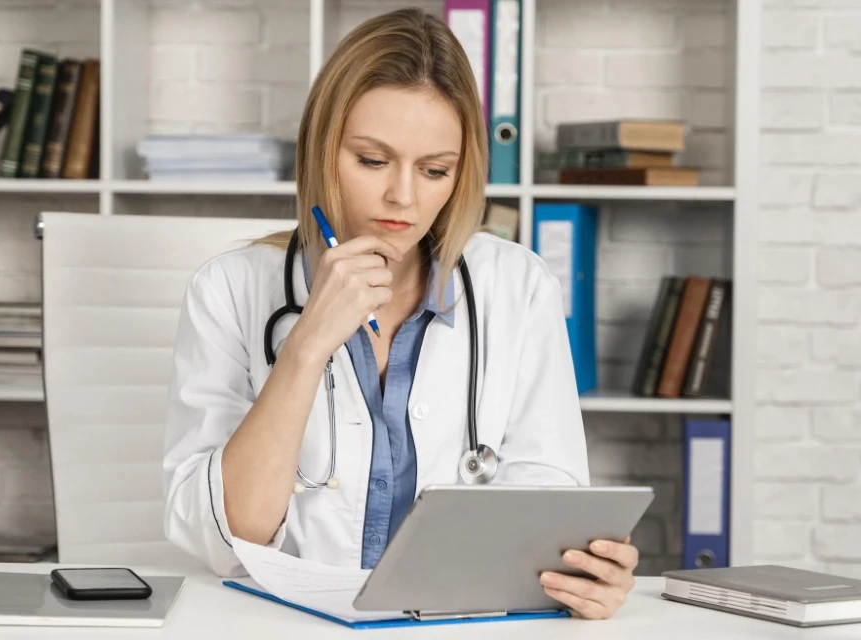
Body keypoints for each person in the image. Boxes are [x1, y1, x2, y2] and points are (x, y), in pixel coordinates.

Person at [162, 7, 639, 620]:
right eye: (372, 160)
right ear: (321, 151)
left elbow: (549, 512)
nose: (403, 197)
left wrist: (585, 575)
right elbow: (226, 540)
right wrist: (307, 346)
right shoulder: (227, 290)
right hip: (282, 625)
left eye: (435, 170)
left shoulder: (518, 287)